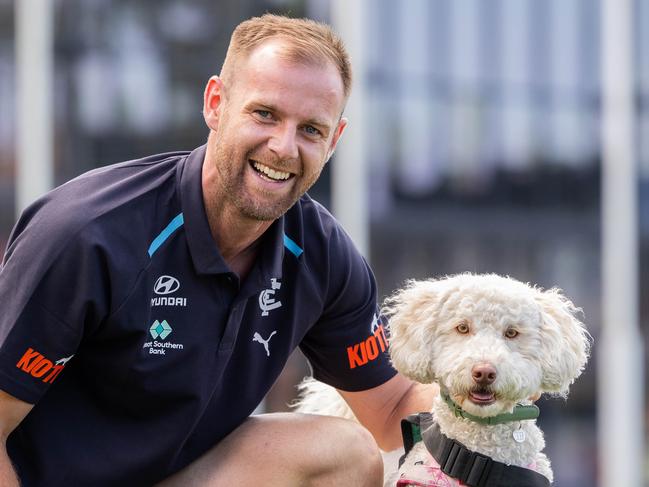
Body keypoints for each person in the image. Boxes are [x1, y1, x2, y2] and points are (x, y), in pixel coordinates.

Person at [0, 14, 433, 486]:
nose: (283, 147)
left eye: (310, 129)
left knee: (345, 453)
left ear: (334, 140)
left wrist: (493, 405)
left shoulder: (322, 254)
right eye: (265, 114)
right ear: (215, 104)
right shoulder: (86, 234)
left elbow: (393, 408)